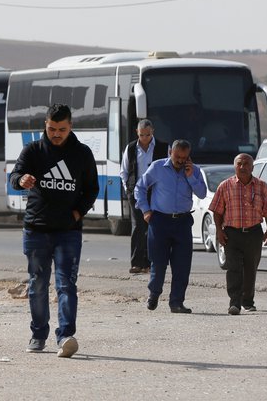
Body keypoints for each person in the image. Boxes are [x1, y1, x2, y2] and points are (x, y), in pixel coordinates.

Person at [9, 104, 99, 358]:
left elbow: (92, 189)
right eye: (51, 129)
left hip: (68, 232)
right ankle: (38, 335)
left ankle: (66, 336)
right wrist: (20, 180)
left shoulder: (82, 153)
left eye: (61, 129)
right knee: (37, 285)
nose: (56, 134)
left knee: (66, 284)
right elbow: (15, 175)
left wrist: (77, 212)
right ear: (45, 126)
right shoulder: (33, 151)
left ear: (71, 126)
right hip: (36, 231)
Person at [135, 139, 207, 314]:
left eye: (184, 157)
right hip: (159, 221)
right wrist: (145, 210)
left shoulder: (194, 171)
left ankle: (176, 302)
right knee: (158, 262)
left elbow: (202, 193)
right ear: (170, 153)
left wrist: (191, 178)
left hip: (182, 222)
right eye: (178, 157)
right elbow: (140, 188)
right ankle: (154, 293)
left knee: (182, 265)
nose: (181, 161)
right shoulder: (158, 168)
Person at [209, 153, 267, 315]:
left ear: (252, 167)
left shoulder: (262, 186)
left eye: (246, 164)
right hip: (231, 234)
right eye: (239, 164)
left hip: (254, 233)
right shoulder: (225, 186)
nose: (243, 167)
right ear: (234, 166)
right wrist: (219, 231)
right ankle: (234, 302)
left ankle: (247, 301)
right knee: (233, 268)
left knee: (250, 269)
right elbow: (218, 212)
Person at [119, 119, 168, 274]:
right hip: (136, 193)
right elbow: (124, 171)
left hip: (155, 193)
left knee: (152, 227)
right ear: (137, 133)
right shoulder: (131, 148)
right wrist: (128, 189)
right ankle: (136, 263)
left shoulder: (163, 147)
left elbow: (167, 169)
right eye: (141, 135)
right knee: (138, 227)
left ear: (152, 131)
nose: (144, 138)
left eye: (147, 134)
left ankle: (149, 263)